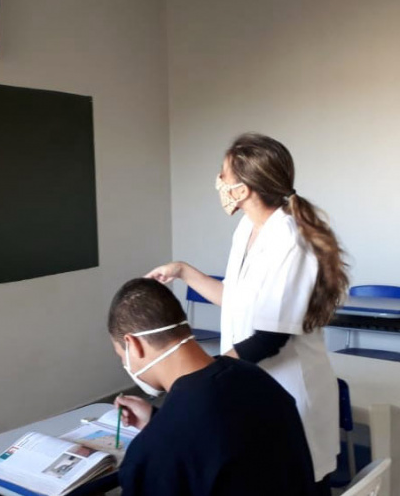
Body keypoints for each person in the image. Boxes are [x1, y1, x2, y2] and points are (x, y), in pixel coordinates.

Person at [146, 133, 348, 492]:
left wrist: (205, 379)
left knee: (298, 482)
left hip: (289, 390)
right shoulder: (248, 230)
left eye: (223, 176)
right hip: (255, 386)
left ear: (244, 189)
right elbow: (236, 301)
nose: (219, 183)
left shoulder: (290, 238)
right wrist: (183, 271)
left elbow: (269, 337)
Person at [109, 278, 318, 496]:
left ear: (133, 345)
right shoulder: (258, 380)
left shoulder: (152, 453)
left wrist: (160, 429)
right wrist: (156, 419)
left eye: (121, 355)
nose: (125, 364)